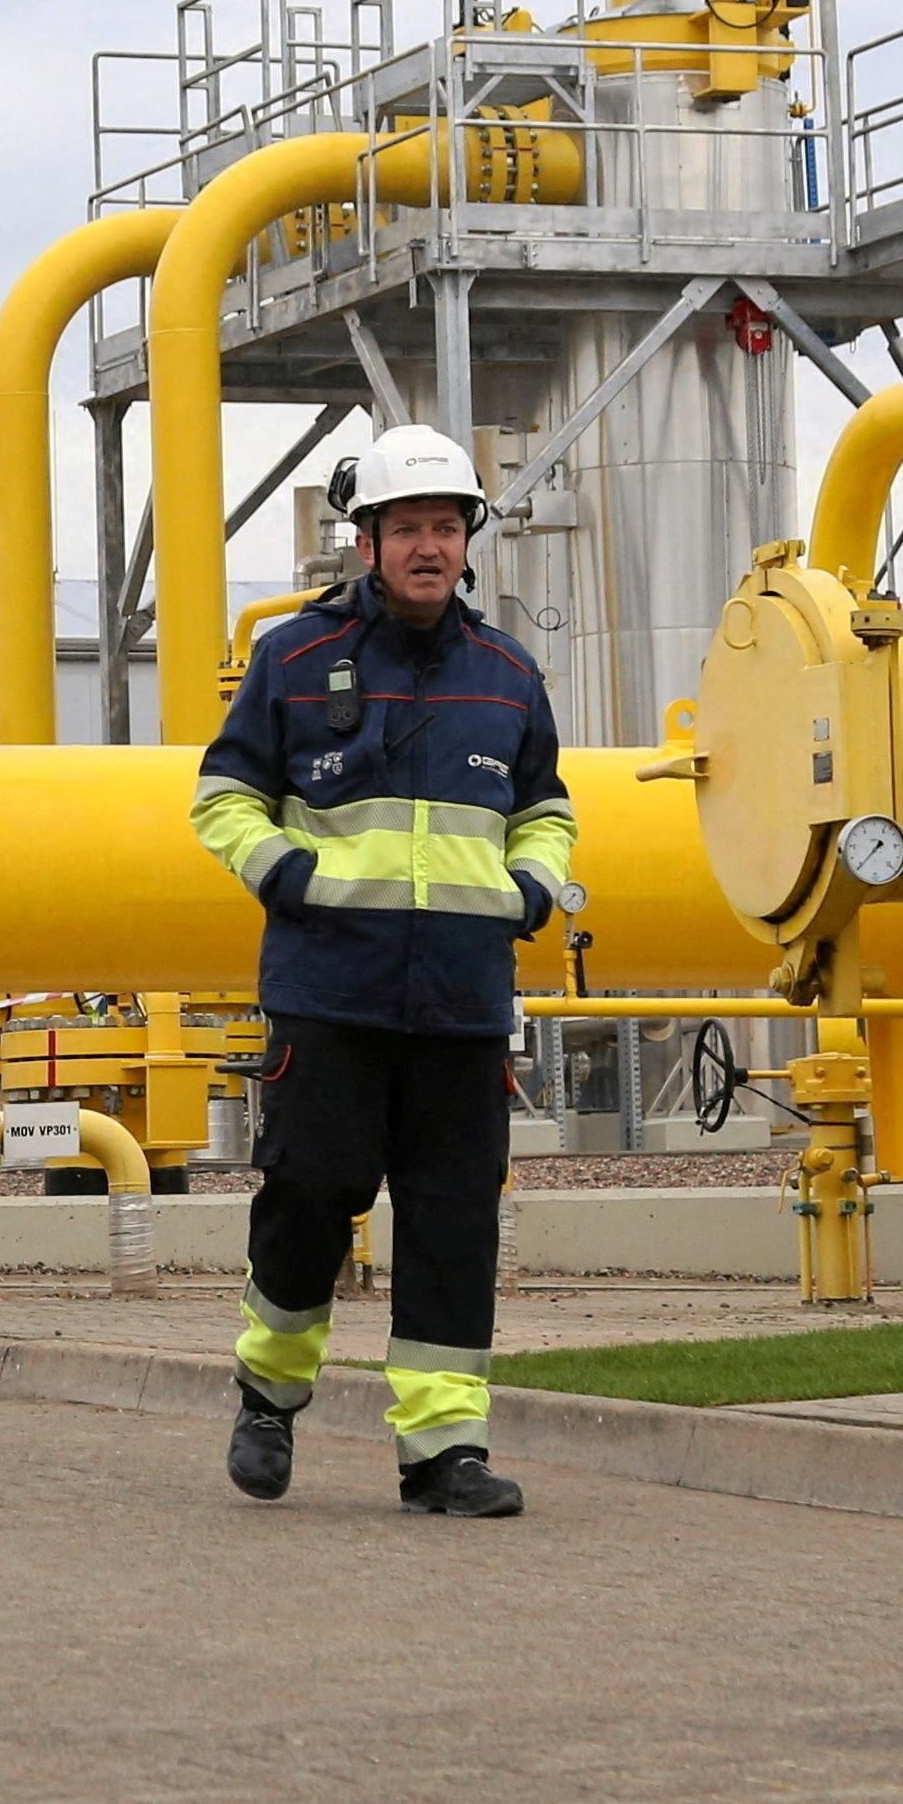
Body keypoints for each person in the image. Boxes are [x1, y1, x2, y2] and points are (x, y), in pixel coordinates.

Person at [189, 425, 574, 1518]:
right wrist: (287, 877)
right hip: (331, 997)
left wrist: (533, 890)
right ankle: (270, 1391)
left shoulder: (507, 674)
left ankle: (443, 1450)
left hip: (461, 1005)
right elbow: (223, 797)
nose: (428, 547)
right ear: (367, 540)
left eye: (446, 528)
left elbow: (546, 809)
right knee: (311, 1195)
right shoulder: (294, 661)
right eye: (407, 528)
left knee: (454, 1222)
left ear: (467, 542)